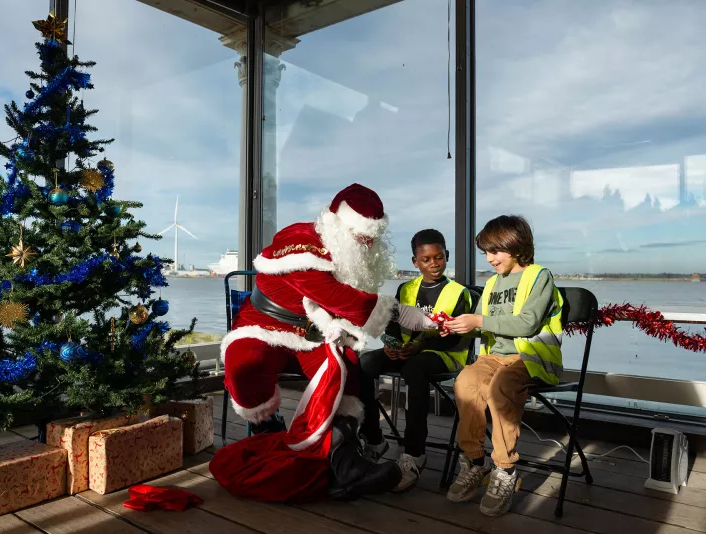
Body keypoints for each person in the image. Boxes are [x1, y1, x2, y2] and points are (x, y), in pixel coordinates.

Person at [209, 183, 438, 503]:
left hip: (316, 332)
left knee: (346, 371)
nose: (367, 244)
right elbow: (342, 300)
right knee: (243, 362)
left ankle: (344, 459)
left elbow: (346, 308)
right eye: (361, 237)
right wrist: (406, 315)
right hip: (264, 327)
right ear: (337, 223)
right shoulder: (300, 244)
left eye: (372, 239)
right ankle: (270, 435)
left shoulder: (351, 257)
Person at [442, 215, 563, 517]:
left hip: (529, 357)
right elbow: (482, 325)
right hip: (493, 358)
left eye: (494, 251)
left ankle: (505, 469)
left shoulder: (540, 276)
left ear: (516, 245)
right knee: (465, 382)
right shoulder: (493, 282)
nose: (489, 259)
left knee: (500, 387)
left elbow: (528, 323)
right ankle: (474, 462)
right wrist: (458, 326)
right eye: (485, 252)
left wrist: (478, 320)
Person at [358, 229, 472, 493]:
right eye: (426, 259)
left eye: (439, 257)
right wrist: (391, 346)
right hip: (409, 353)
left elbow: (458, 339)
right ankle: (374, 440)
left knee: (414, 368)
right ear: (415, 262)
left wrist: (421, 345)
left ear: (447, 256)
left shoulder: (459, 293)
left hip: (445, 355)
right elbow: (394, 326)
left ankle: (414, 453)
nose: (434, 263)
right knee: (365, 362)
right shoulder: (405, 289)